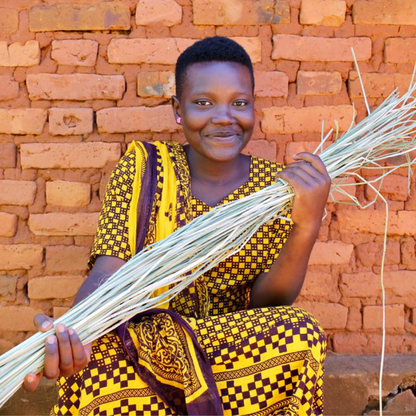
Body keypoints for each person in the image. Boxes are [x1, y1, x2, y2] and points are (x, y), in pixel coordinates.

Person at [24, 36, 330, 415]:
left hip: (234, 356)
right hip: (147, 350)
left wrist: (307, 224)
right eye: (203, 103)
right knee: (94, 355)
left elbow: (267, 305)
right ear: (177, 110)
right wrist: (75, 330)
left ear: (254, 109)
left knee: (301, 331)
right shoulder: (144, 169)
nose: (223, 117)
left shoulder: (276, 188)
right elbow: (108, 272)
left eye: (239, 103)